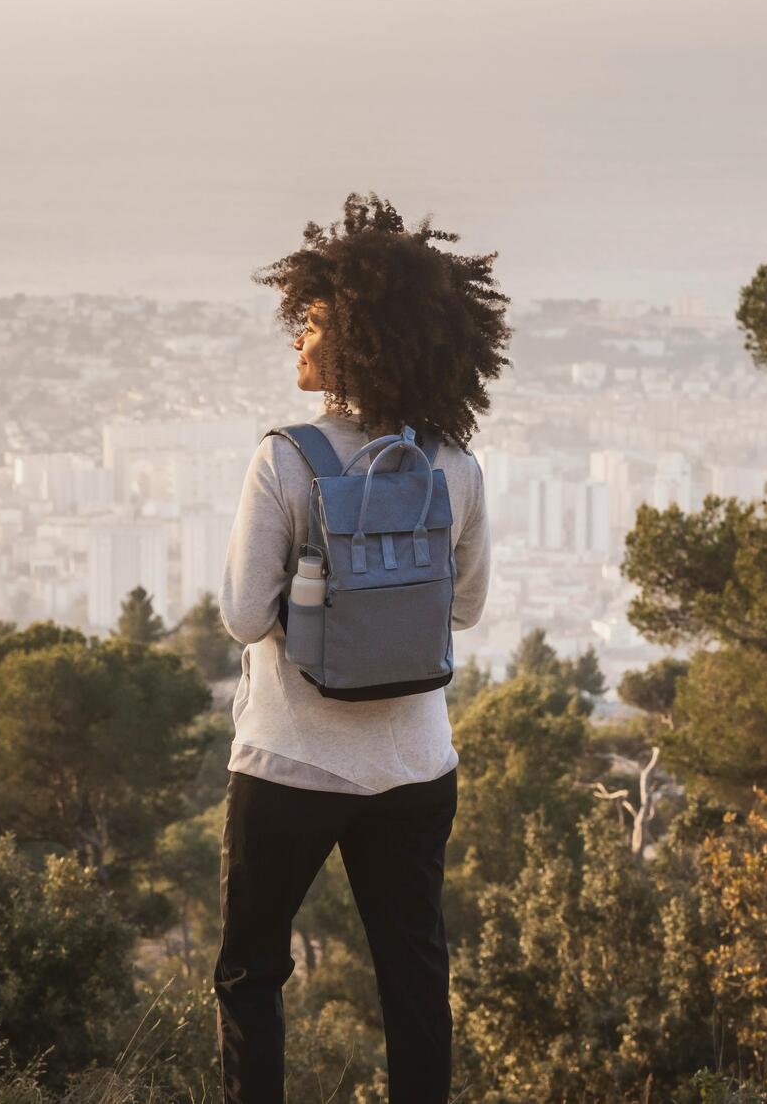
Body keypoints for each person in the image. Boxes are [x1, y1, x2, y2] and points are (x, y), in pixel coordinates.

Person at [215, 192, 510, 1103]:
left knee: (251, 971)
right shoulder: (453, 466)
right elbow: (462, 613)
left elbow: (240, 613)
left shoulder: (287, 459)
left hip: (292, 761)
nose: (297, 338)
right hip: (417, 764)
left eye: (310, 323)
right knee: (414, 975)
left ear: (352, 340)